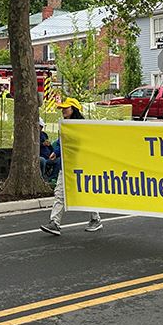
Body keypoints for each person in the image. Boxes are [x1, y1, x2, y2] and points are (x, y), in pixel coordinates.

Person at [40, 98, 101, 236]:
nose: (63, 110)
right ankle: (54, 222)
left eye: (66, 108)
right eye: (62, 108)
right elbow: (63, 142)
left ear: (74, 109)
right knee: (59, 193)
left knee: (86, 192)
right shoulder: (65, 126)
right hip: (66, 165)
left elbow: (80, 145)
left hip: (81, 166)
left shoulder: (82, 127)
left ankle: (95, 218)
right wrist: (56, 152)